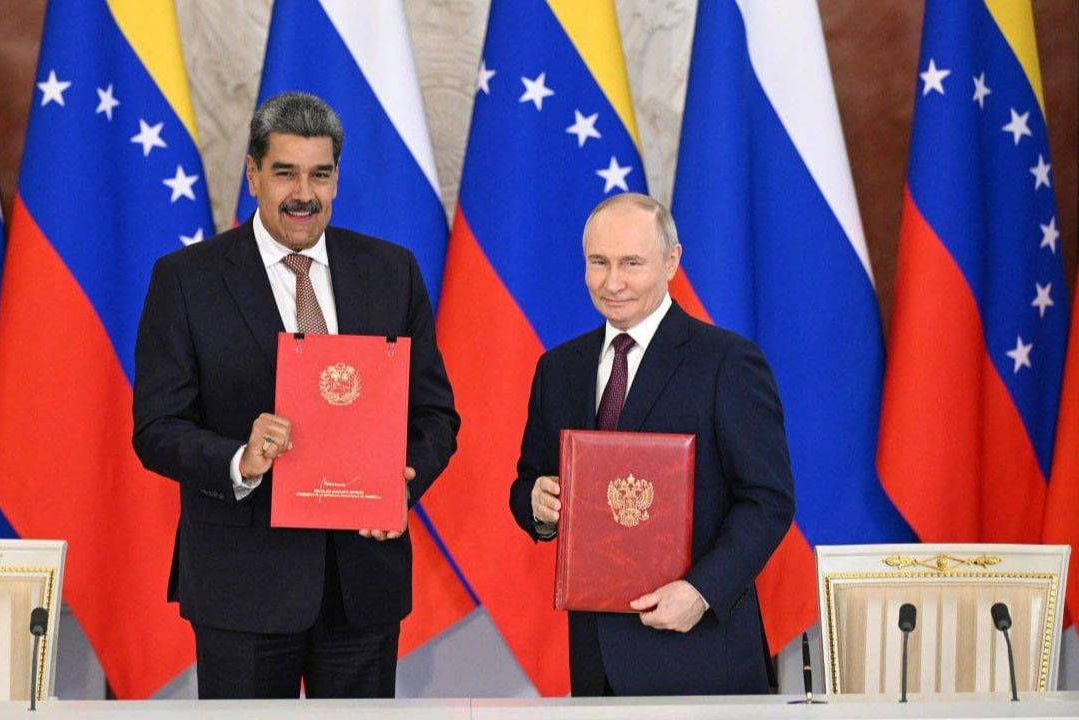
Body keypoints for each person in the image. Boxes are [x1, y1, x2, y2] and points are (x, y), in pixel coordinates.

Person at [133, 91, 459, 699]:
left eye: (320, 174)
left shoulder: (392, 271)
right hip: (242, 588)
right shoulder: (186, 281)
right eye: (285, 173)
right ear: (253, 175)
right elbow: (157, 428)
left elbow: (435, 414)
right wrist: (240, 458)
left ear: (336, 179)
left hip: (361, 585)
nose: (303, 193)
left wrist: (401, 486)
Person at [509, 193, 794, 696]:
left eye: (631, 263)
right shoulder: (559, 368)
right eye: (599, 262)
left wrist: (702, 592)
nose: (612, 282)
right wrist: (537, 503)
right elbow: (527, 480)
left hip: (702, 655)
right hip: (597, 662)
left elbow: (768, 500)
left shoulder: (727, 362)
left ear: (671, 262)